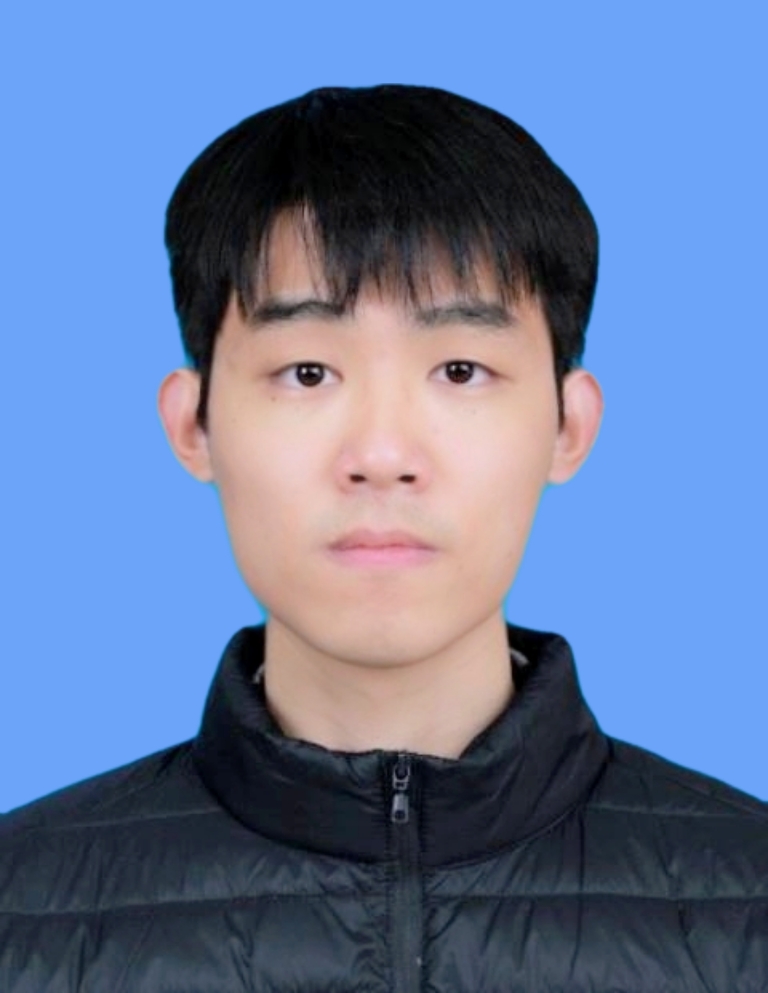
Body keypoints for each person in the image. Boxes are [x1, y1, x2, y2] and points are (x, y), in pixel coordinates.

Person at [1, 84, 765, 992]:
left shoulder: (748, 906)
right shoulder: (20, 915)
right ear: (193, 424)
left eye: (460, 369)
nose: (382, 455)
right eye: (307, 371)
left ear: (569, 425)